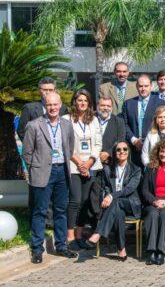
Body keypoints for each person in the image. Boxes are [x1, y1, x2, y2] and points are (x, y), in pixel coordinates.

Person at [22, 92, 77, 264]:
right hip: (42, 172)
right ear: (44, 105)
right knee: (40, 211)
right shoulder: (34, 125)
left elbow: (69, 146)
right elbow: (27, 153)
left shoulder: (67, 125)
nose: (52, 108)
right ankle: (37, 249)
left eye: (55, 104)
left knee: (61, 211)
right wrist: (37, 167)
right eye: (49, 105)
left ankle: (61, 246)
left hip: (62, 171)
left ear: (60, 105)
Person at [85, 141, 142, 261]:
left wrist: (111, 196)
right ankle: (122, 249)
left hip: (131, 204)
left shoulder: (136, 169)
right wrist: (105, 198)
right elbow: (103, 188)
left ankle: (98, 233)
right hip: (114, 207)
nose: (122, 152)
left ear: (129, 151)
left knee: (117, 202)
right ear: (114, 152)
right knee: (118, 212)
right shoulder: (107, 169)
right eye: (118, 149)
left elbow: (129, 189)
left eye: (125, 149)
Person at [62, 89, 103, 249]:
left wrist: (89, 162)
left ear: (89, 103)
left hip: (90, 165)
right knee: (75, 201)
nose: (83, 103)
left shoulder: (93, 120)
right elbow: (66, 144)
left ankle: (79, 234)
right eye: (80, 100)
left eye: (85, 101)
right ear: (75, 102)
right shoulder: (66, 120)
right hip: (74, 166)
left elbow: (98, 143)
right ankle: (70, 235)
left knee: (85, 202)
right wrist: (80, 163)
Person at [121, 74, 161, 165]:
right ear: (136, 87)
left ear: (151, 86)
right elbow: (124, 124)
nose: (143, 89)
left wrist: (147, 140)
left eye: (146, 86)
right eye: (140, 86)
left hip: (153, 148)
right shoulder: (128, 104)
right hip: (133, 148)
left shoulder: (159, 103)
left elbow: (161, 125)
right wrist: (134, 140)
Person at [17, 76, 68, 140]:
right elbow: (21, 131)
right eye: (45, 90)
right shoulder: (29, 108)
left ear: (55, 91)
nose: (48, 92)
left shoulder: (63, 108)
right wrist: (31, 147)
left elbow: (67, 130)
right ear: (39, 91)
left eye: (51, 90)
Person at [97, 96, 126, 165]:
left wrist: (108, 153)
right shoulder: (91, 119)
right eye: (103, 105)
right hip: (92, 161)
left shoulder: (119, 121)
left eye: (108, 106)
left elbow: (121, 141)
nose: (106, 108)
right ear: (97, 106)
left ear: (112, 108)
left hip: (110, 161)